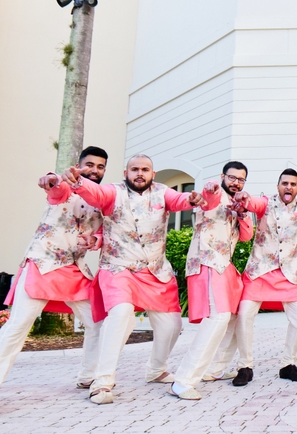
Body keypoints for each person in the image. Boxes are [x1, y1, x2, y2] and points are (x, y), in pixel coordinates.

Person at [61, 154, 202, 404]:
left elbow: (181, 200)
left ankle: (156, 370)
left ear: (152, 174)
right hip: (119, 268)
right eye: (134, 169)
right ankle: (102, 382)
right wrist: (78, 183)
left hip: (156, 272)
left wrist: (194, 198)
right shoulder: (112, 192)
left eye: (145, 169)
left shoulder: (163, 192)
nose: (140, 173)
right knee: (121, 313)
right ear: (126, 172)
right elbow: (94, 194)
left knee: (172, 326)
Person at [205, 168, 297, 385]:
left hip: (289, 274)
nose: (288, 187)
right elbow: (252, 203)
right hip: (259, 271)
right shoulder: (265, 203)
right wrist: (244, 197)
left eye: (293, 184)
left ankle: (288, 364)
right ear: (278, 186)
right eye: (285, 183)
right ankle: (245, 366)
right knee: (244, 316)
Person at [0, 146, 108, 388]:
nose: (94, 170)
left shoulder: (102, 200)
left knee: (97, 323)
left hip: (75, 270)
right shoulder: (66, 187)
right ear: (79, 165)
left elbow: (102, 233)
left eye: (100, 167)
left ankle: (88, 376)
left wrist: (96, 240)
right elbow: (54, 185)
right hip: (43, 264)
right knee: (18, 325)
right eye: (89, 164)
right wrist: (52, 178)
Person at [169, 162, 253, 400]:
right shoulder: (214, 194)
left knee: (235, 317)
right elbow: (210, 197)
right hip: (206, 263)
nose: (236, 182)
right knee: (219, 317)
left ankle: (214, 369)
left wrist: (242, 212)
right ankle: (183, 381)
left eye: (241, 179)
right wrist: (211, 188)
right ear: (222, 176)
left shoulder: (238, 204)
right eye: (232, 177)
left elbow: (246, 237)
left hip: (225, 266)